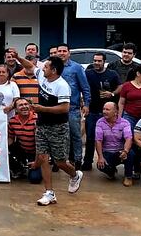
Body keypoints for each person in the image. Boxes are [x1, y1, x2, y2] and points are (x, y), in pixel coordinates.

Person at [18, 55, 83, 206]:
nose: (43, 68)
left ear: (53, 70)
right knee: (42, 157)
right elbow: (30, 66)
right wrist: (17, 57)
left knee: (60, 162)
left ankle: (74, 174)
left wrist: (43, 109)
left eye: (46, 67)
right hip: (41, 125)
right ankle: (49, 193)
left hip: (58, 127)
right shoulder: (42, 76)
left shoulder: (62, 85)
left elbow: (65, 108)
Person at [84, 52, 121, 171]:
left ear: (104, 62)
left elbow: (121, 86)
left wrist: (112, 93)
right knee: (90, 138)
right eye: (95, 60)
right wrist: (84, 104)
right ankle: (87, 162)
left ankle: (108, 162)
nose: (96, 63)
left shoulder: (112, 74)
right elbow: (83, 88)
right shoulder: (88, 73)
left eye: (99, 61)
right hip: (92, 111)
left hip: (107, 113)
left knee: (107, 138)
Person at [56, 44, 91, 168]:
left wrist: (86, 104)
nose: (61, 53)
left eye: (64, 51)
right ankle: (58, 160)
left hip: (72, 108)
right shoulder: (52, 67)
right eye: (59, 51)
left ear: (69, 53)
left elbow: (85, 88)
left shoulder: (76, 68)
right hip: (55, 108)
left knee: (75, 135)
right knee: (57, 136)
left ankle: (77, 160)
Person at [95, 101, 134, 185]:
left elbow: (129, 138)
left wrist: (125, 151)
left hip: (120, 152)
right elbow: (98, 140)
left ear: (115, 112)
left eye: (107, 109)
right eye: (104, 109)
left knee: (131, 154)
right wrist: (100, 157)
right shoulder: (100, 122)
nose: (104, 111)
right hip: (107, 152)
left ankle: (128, 176)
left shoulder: (125, 123)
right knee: (100, 165)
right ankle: (111, 172)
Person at [7, 98, 39, 182]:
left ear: (30, 106)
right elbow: (10, 139)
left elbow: (41, 145)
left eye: (26, 104)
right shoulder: (12, 121)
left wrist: (37, 162)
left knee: (35, 179)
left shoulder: (37, 119)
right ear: (16, 109)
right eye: (20, 105)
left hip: (36, 152)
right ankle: (20, 168)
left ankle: (40, 166)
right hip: (22, 151)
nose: (24, 107)